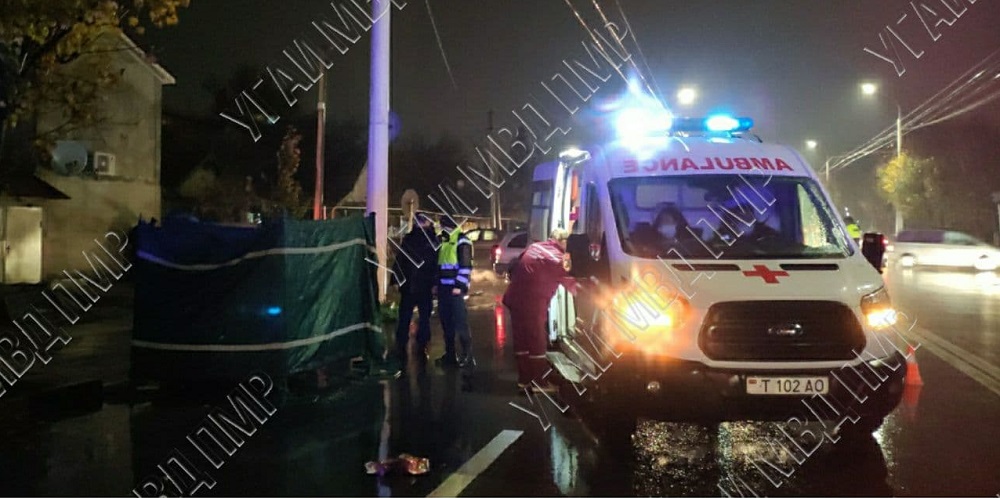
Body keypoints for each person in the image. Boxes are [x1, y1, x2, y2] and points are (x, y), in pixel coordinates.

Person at [503, 228, 579, 392]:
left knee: (522, 340)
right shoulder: (558, 257)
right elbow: (572, 281)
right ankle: (539, 383)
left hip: (514, 298)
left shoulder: (535, 247)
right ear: (562, 241)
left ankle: (524, 380)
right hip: (532, 302)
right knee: (536, 340)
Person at [390, 212, 438, 365]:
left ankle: (402, 342)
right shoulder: (432, 240)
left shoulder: (410, 239)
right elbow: (435, 264)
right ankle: (421, 342)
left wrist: (396, 280)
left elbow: (400, 260)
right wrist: (435, 283)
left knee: (406, 315)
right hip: (423, 285)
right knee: (423, 316)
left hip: (410, 285)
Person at [435, 217, 475, 368]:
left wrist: (459, 286)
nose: (440, 229)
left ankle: (467, 356)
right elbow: (440, 265)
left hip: (455, 290)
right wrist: (436, 284)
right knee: (447, 323)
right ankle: (450, 355)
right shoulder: (444, 240)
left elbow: (466, 266)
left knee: (460, 322)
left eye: (442, 226)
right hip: (444, 289)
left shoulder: (461, 240)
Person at [630, 204, 698, 256]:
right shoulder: (650, 246)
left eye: (668, 221)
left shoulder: (690, 246)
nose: (665, 224)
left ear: (677, 224)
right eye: (662, 221)